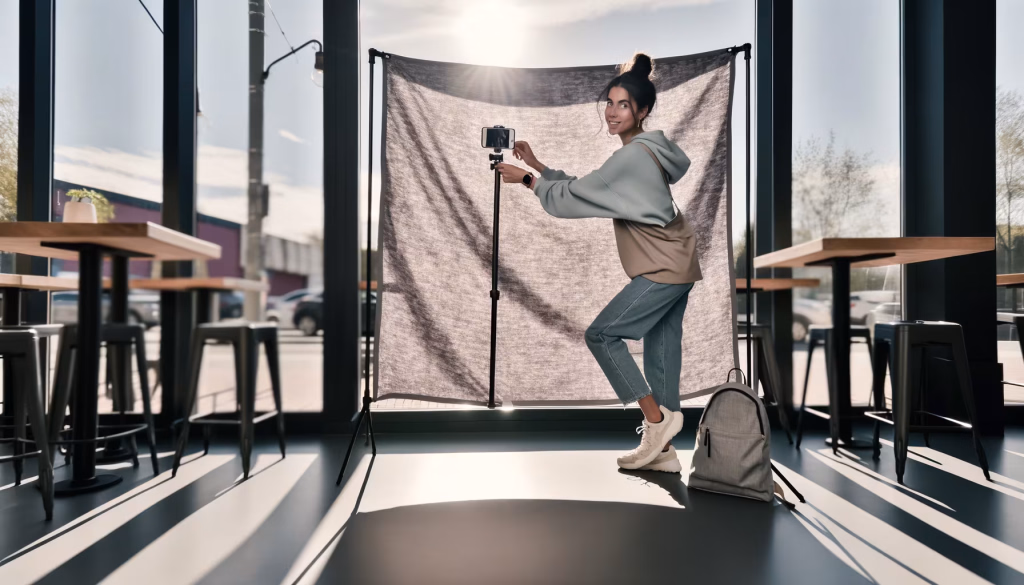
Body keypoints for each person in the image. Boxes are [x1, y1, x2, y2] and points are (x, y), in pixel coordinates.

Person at [496, 53, 700, 473]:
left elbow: (574, 198)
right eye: (609, 102)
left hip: (662, 267)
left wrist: (529, 181)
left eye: (623, 104)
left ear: (642, 111)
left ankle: (657, 422)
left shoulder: (631, 157)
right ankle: (662, 455)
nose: (611, 112)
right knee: (661, 353)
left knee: (602, 335)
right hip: (677, 260)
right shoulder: (647, 151)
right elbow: (590, 189)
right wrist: (539, 166)